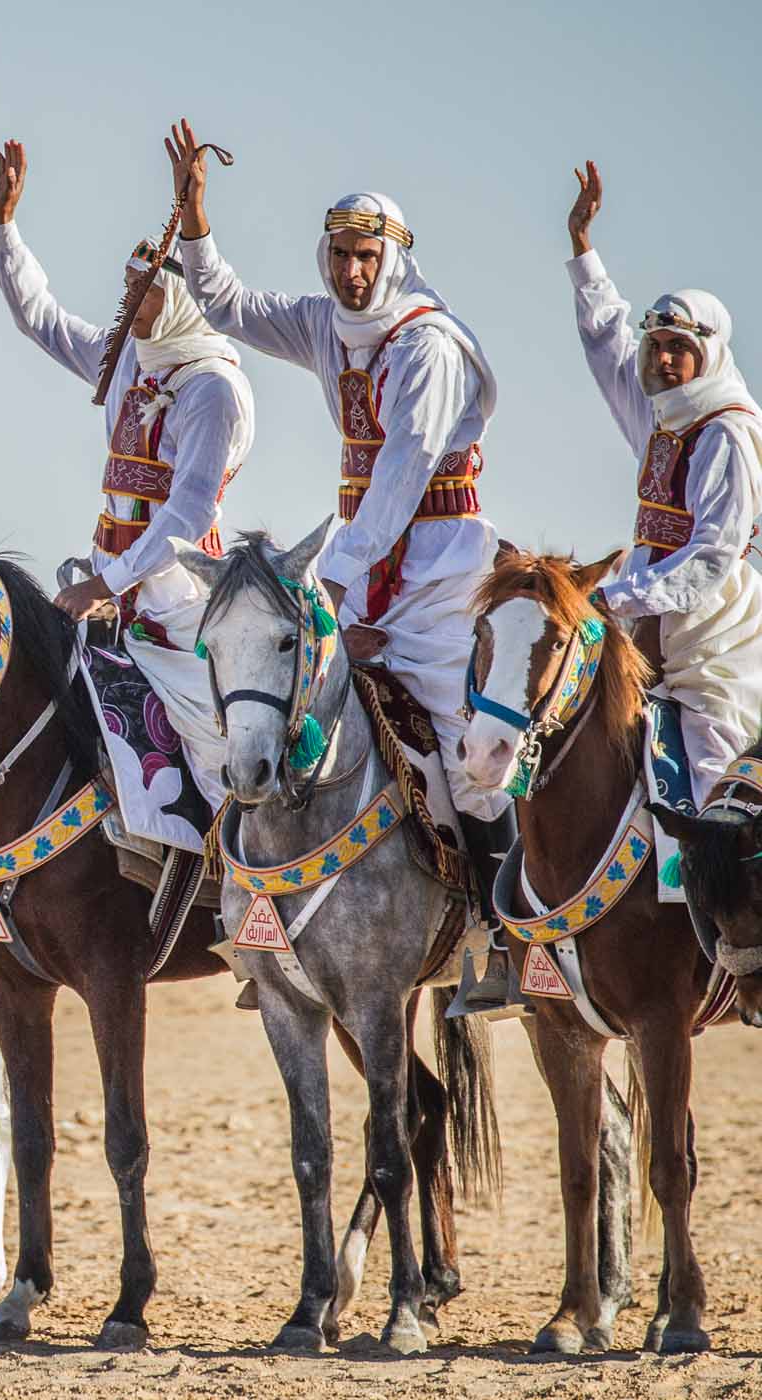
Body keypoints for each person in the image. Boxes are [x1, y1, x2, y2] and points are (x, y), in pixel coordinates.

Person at [164, 118, 517, 1014]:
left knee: (467, 748)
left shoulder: (428, 346)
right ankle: (275, 918)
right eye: (339, 255)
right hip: (361, 562)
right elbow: (230, 306)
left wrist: (330, 578)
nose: (350, 271)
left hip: (439, 570)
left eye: (365, 256)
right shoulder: (327, 324)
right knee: (290, 707)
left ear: (393, 259)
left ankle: (505, 936)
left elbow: (402, 474)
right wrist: (196, 222)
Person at [0, 137, 250, 830]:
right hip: (102, 583)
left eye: (145, 291)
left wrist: (109, 584)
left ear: (182, 299)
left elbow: (187, 515)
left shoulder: (213, 389)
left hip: (178, 601)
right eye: (129, 287)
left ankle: (234, 863)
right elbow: (42, 320)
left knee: (214, 747)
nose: (129, 302)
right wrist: (5, 230)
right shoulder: (131, 358)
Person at [566, 160, 762, 801]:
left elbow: (712, 556)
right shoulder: (660, 413)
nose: (665, 359)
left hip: (714, 635)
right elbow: (606, 345)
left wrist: (617, 598)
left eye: (680, 348)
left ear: (709, 355)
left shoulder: (726, 433)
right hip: (645, 620)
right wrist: (583, 249)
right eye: (658, 348)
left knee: (711, 772)